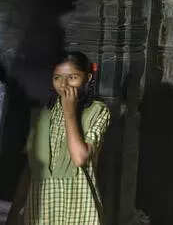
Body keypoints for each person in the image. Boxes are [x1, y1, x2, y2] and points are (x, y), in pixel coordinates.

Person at [11, 51, 110, 225]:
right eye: (57, 78)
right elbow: (30, 168)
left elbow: (79, 157)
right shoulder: (41, 115)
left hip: (79, 207)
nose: (63, 85)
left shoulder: (98, 111)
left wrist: (69, 110)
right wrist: (13, 213)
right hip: (40, 208)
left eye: (72, 77)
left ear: (88, 78)